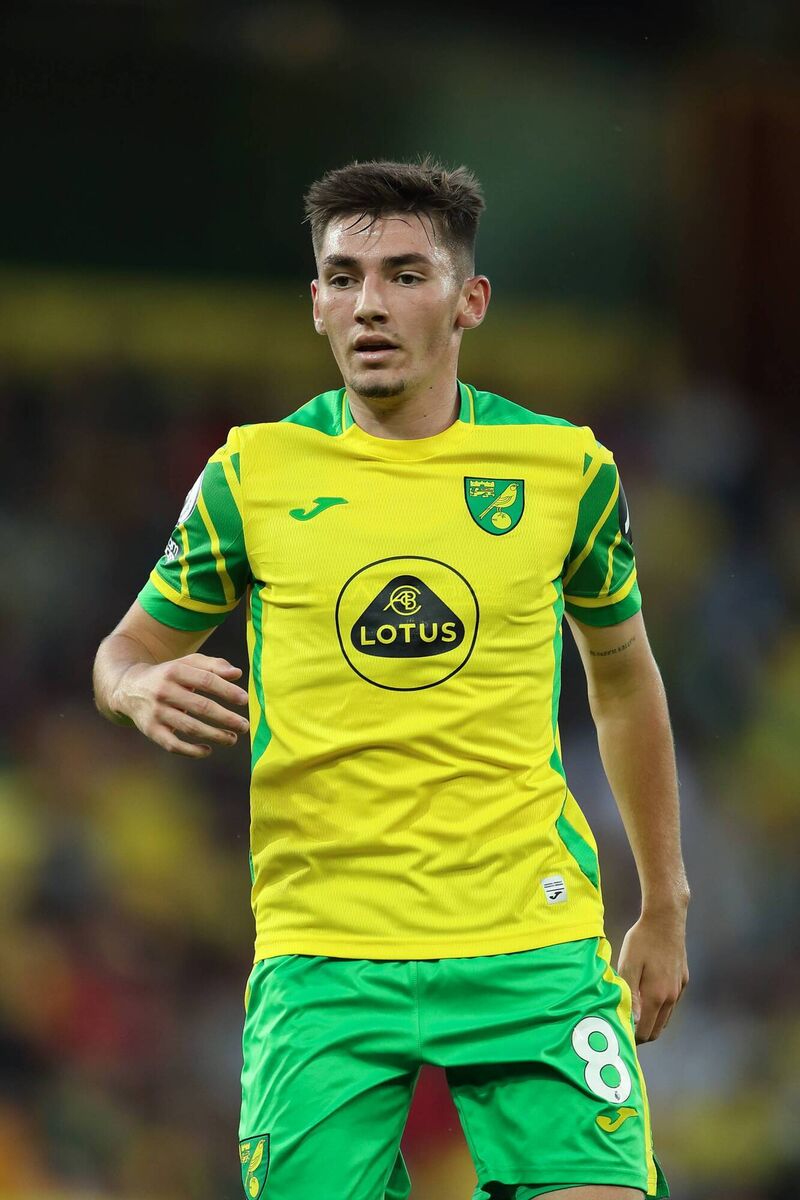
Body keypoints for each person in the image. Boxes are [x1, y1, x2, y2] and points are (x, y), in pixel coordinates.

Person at [93, 157, 689, 1200]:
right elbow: (123, 651)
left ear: (469, 301)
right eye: (344, 277)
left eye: (406, 275)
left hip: (531, 939)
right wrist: (134, 689)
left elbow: (624, 680)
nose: (369, 303)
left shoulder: (566, 471)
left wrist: (664, 904)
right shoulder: (251, 475)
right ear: (316, 303)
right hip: (324, 955)